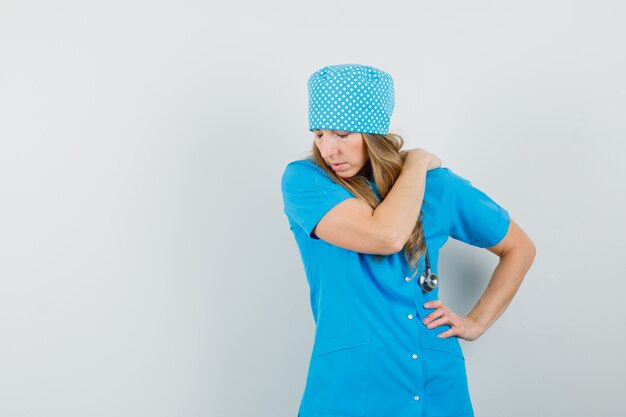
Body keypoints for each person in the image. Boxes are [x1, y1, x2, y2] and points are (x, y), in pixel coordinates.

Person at [280, 63, 536, 417]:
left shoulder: (438, 186)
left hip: (435, 380)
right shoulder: (307, 182)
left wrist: (476, 322)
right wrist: (415, 162)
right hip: (350, 382)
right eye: (319, 134)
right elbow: (386, 236)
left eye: (341, 134)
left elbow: (519, 248)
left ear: (374, 133)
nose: (329, 150)